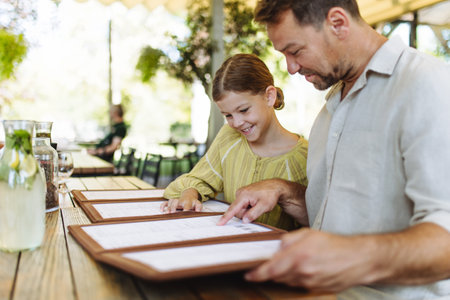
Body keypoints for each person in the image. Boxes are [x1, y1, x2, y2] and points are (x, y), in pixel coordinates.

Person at [217, 1, 450, 299]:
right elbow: (338, 218)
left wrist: (352, 256)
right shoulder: (330, 110)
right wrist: (284, 191)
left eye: (296, 50)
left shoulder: (427, 85)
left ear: (338, 23)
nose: (290, 68)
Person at [162, 53, 308, 231]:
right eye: (228, 115)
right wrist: (190, 193)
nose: (237, 123)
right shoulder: (229, 137)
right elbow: (200, 179)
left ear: (269, 96)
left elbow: (319, 220)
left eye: (244, 110)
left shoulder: (305, 157)